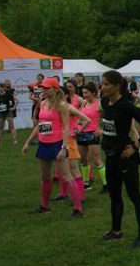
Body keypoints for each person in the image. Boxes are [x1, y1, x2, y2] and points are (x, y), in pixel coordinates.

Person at [98, 70, 140, 247]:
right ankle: (116, 231)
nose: (103, 87)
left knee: (134, 196)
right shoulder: (104, 102)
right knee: (114, 196)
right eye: (102, 83)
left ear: (117, 86)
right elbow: (110, 125)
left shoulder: (126, 106)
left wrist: (136, 147)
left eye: (106, 84)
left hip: (125, 157)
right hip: (110, 156)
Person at [22, 77, 90, 218]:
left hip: (57, 143)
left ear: (55, 89)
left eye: (47, 88)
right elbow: (40, 125)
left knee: (66, 175)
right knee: (45, 177)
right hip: (44, 143)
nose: (44, 90)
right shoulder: (43, 103)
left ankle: (78, 209)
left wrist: (64, 147)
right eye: (43, 88)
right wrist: (28, 142)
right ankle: (44, 206)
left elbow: (66, 127)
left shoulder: (62, 105)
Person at [76, 81, 107, 193]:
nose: (84, 95)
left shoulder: (99, 103)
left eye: (86, 93)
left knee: (96, 159)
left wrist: (102, 130)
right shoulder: (83, 102)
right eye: (83, 93)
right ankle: (86, 183)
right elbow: (79, 116)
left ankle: (106, 184)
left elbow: (108, 118)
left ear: (93, 93)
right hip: (81, 133)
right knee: (83, 160)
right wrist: (77, 126)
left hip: (93, 134)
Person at [0, 81, 18, 145]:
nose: (0, 89)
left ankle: (14, 140)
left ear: (4, 88)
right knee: (0, 127)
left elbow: (17, 100)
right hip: (1, 113)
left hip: (8, 112)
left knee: (11, 126)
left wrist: (13, 107)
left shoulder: (8, 95)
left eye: (1, 87)